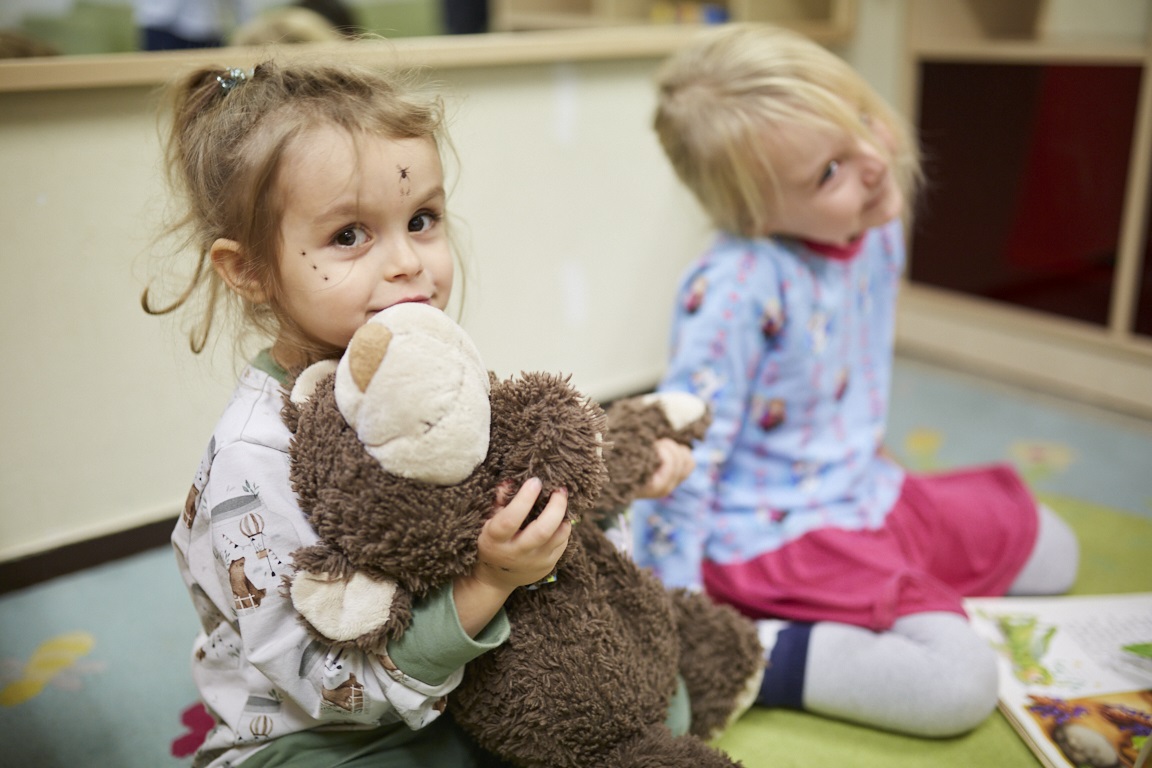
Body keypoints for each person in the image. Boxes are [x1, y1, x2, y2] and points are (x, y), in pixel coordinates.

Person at [145, 57, 693, 767]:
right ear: (248, 269)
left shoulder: (426, 373)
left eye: (422, 219)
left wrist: (607, 482)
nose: (408, 262)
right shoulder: (254, 454)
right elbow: (330, 688)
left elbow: (499, 487)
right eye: (349, 235)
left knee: (653, 697)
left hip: (452, 699)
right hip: (322, 740)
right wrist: (492, 581)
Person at [631, 23, 1080, 739]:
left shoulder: (874, 228)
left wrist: (882, 475)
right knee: (957, 685)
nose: (873, 162)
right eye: (829, 172)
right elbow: (685, 450)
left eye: (863, 121)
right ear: (756, 216)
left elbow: (844, 387)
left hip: (864, 491)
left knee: (1055, 551)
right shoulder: (737, 287)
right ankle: (754, 646)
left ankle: (882, 588)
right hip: (771, 537)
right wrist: (676, 619)